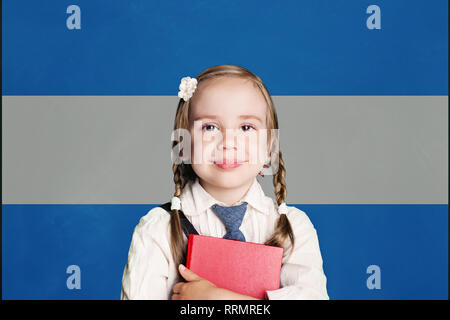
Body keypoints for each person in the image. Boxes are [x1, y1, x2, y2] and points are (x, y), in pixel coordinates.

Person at [121, 64, 329, 300]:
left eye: (246, 127)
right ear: (183, 145)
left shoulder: (293, 228)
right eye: (210, 127)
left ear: (269, 146)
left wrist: (217, 299)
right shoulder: (157, 230)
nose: (229, 142)